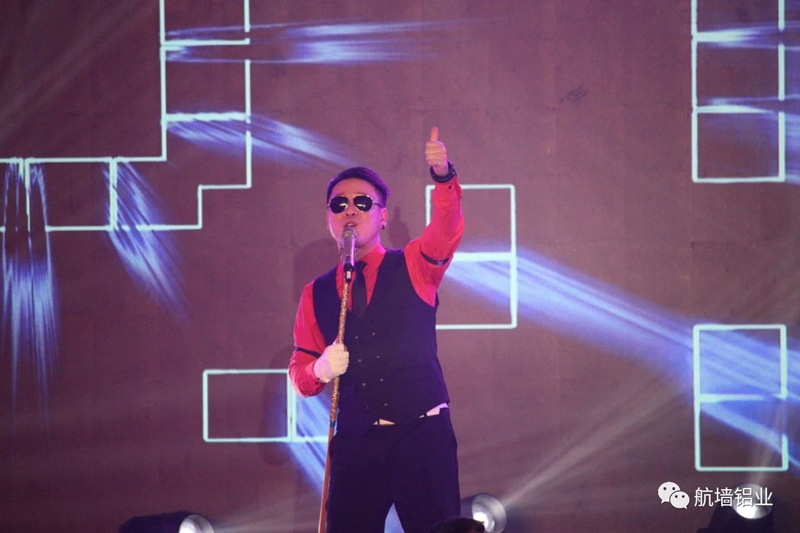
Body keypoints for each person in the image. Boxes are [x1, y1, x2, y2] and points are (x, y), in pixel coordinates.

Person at [288, 127, 464, 533]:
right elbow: (300, 373)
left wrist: (443, 177)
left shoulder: (414, 264)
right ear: (328, 219)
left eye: (362, 202)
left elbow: (446, 230)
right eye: (339, 204)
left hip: (422, 435)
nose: (350, 211)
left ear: (383, 216)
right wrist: (320, 369)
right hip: (357, 441)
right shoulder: (315, 293)